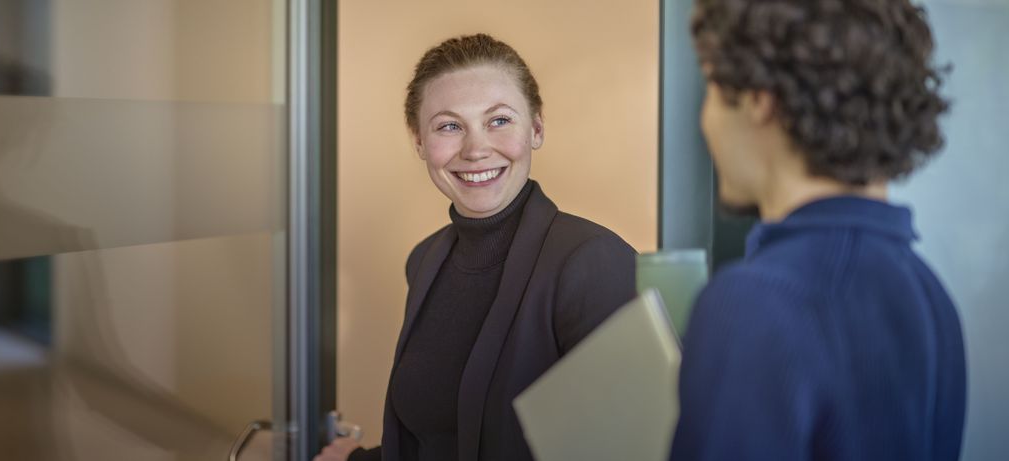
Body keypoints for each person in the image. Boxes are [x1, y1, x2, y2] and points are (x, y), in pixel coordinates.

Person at [315, 33, 637, 461]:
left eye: (499, 120)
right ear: (419, 142)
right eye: (449, 126)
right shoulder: (426, 260)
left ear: (536, 128)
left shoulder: (594, 263)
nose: (476, 149)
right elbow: (439, 440)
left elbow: (632, 447)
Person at [669, 0, 966, 460]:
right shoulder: (931, 295)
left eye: (710, 83)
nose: (704, 119)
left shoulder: (754, 303)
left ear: (758, 99)